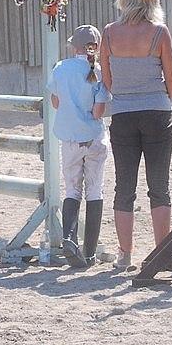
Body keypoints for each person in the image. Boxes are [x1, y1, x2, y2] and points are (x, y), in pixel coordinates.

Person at [99, 0, 172, 270]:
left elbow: (107, 78)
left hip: (122, 114)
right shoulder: (159, 32)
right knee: (159, 186)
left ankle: (125, 255)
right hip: (156, 112)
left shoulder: (109, 33)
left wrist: (124, 95)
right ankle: (163, 254)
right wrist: (160, 101)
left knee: (124, 186)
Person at [48, 25, 111, 268]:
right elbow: (98, 112)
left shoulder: (61, 69)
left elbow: (55, 102)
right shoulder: (99, 72)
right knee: (95, 190)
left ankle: (68, 237)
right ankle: (91, 252)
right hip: (94, 138)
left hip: (69, 139)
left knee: (72, 190)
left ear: (74, 47)